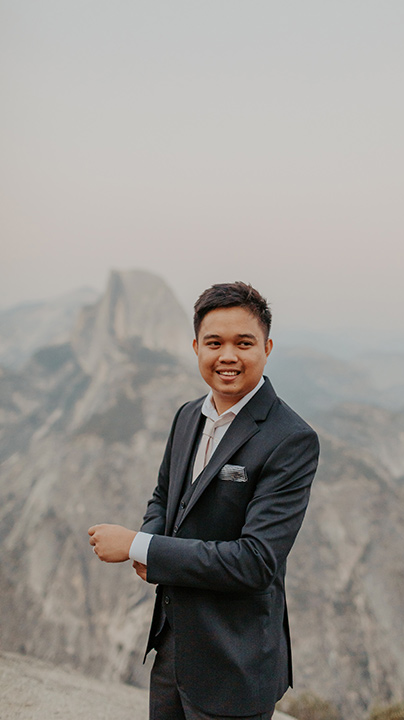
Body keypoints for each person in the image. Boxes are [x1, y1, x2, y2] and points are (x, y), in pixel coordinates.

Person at [88, 281, 320, 720]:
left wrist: (140, 546)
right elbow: (164, 496)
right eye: (214, 343)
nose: (227, 356)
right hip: (173, 648)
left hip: (235, 663)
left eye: (243, 343)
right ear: (196, 347)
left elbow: (255, 562)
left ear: (267, 347)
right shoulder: (188, 415)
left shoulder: (291, 439)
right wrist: (154, 537)